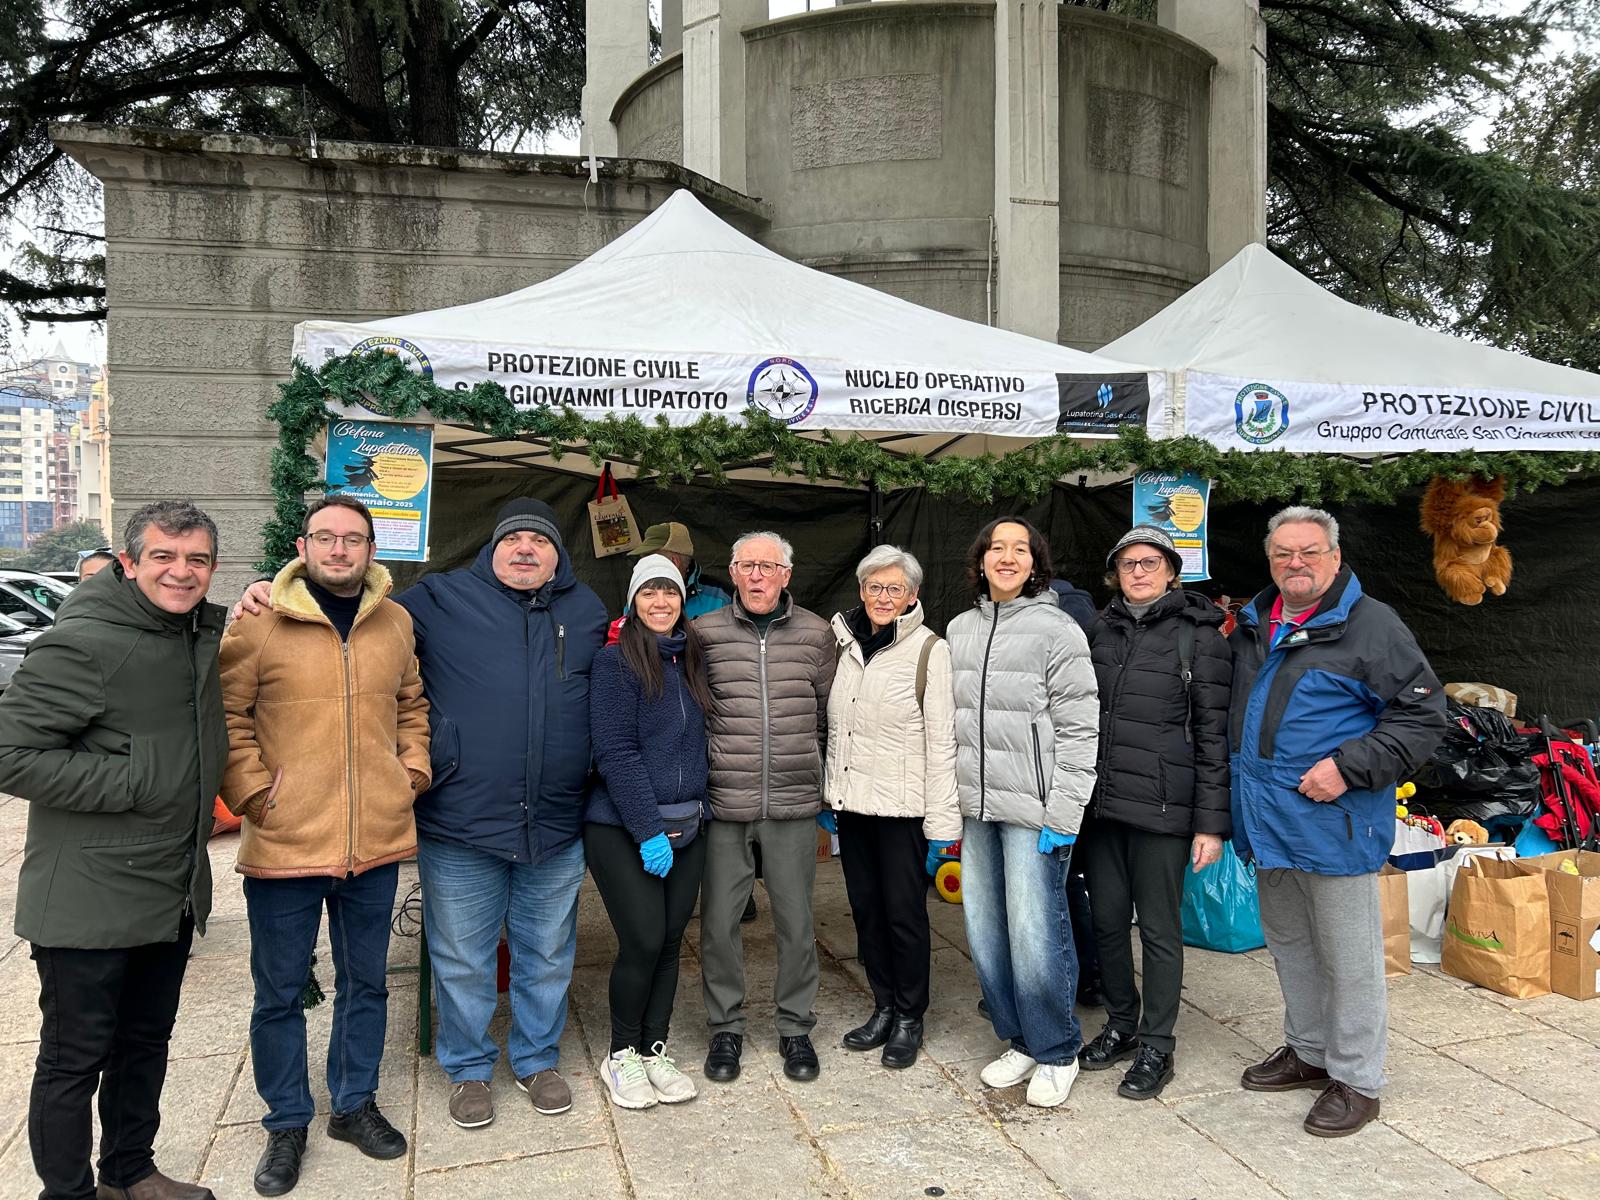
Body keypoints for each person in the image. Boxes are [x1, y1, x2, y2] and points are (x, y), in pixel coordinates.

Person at [237, 496, 607, 1131]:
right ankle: (467, 1067)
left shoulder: (588, 609)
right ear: (492, 548)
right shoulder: (437, 599)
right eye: (512, 538)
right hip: (462, 821)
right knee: (461, 955)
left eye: (539, 541)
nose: (525, 549)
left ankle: (537, 1058)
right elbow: (348, 607)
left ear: (558, 554)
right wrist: (272, 592)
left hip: (554, 821)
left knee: (546, 951)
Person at [0, 500, 226, 1200]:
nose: (180, 572)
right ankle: (66, 1193)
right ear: (129, 563)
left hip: (166, 889)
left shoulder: (188, 637)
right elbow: (10, 752)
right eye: (163, 556)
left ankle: (131, 1170)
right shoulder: (86, 642)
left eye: (196, 559)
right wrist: (136, 776)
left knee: (144, 1045)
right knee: (74, 1059)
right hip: (87, 901)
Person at [219, 495, 431, 1195]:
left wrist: (410, 771)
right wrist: (256, 795)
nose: (339, 550)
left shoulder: (394, 622)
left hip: (374, 837)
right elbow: (229, 717)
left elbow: (411, 704)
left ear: (372, 549)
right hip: (286, 842)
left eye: (353, 539)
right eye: (326, 538)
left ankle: (353, 1104)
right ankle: (286, 1122)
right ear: (303, 545)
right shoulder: (259, 623)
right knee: (278, 993)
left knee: (365, 984)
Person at [1231, 506, 1445, 1138]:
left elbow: (1421, 717)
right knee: (1292, 944)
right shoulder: (1252, 622)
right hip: (1267, 822)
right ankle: (1309, 1050)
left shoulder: (1370, 626)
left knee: (1349, 958)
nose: (1296, 563)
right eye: (1283, 554)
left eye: (1309, 552)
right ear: (1269, 560)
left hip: (1334, 821)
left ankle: (1357, 1078)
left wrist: (1348, 769)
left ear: (1334, 555)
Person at [947, 516, 1098, 1109]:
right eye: (996, 548)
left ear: (1036, 563)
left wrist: (1064, 810)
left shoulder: (1057, 629)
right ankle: (1019, 1038)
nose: (1007, 558)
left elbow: (1082, 725)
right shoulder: (958, 630)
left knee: (1036, 931)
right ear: (980, 560)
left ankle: (1058, 1048)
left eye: (1020, 549)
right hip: (974, 807)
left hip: (1035, 808)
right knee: (986, 931)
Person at [1078, 526, 1231, 1101]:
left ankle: (1157, 1044)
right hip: (1102, 805)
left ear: (1172, 570)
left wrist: (1211, 824)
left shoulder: (1200, 638)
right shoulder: (1099, 630)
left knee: (1161, 930)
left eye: (1150, 562)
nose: (1138, 572)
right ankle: (1121, 1022)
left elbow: (1215, 738)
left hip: (1166, 809)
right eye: (1127, 564)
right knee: (1108, 921)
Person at [695, 531, 836, 1084]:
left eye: (768, 566)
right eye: (747, 565)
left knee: (798, 923)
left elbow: (829, 714)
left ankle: (795, 1026)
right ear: (731, 574)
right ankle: (725, 1027)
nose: (757, 576)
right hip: (725, 801)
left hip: (795, 803)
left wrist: (821, 785)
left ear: (786, 576)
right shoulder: (702, 633)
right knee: (719, 925)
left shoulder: (816, 633)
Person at [585, 554, 713, 1110]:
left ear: (684, 598)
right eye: (649, 592)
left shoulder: (694, 657)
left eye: (670, 592)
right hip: (623, 826)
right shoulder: (615, 663)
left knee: (668, 942)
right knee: (640, 938)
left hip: (689, 823)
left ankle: (654, 1048)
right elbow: (615, 753)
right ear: (633, 601)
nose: (660, 602)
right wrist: (646, 831)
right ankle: (622, 1056)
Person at [824, 545, 959, 1070]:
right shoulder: (845, 645)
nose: (883, 597)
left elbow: (943, 742)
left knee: (904, 915)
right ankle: (882, 1004)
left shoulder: (931, 651)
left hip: (904, 811)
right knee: (865, 911)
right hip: (853, 806)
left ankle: (909, 1015)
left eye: (894, 589)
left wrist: (943, 823)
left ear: (912, 596)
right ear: (861, 591)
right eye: (875, 587)